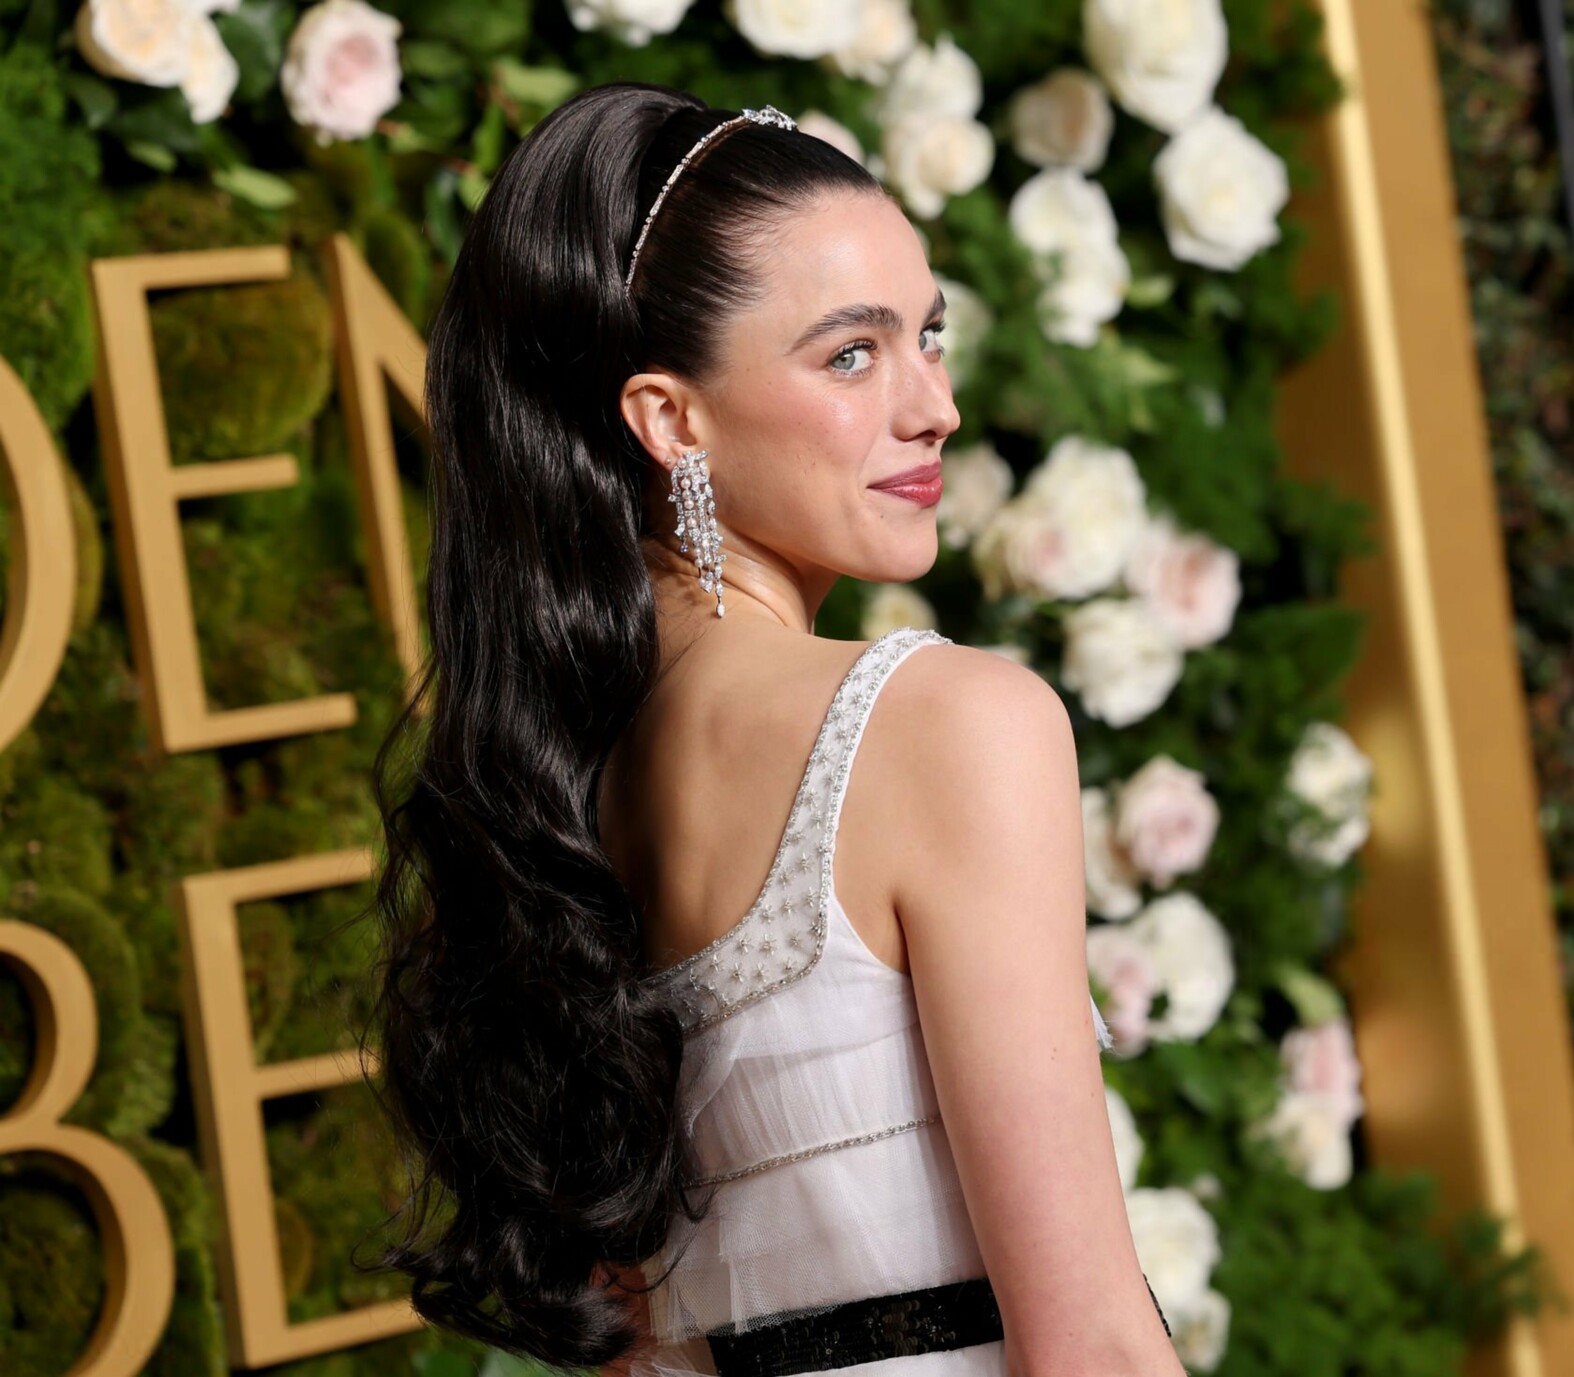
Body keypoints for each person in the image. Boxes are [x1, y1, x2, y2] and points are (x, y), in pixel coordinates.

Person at [364, 83, 1183, 1377]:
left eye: (929, 335)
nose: (933, 405)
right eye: (851, 354)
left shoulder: (551, 805)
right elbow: (1091, 1347)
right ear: (670, 420)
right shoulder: (948, 726)